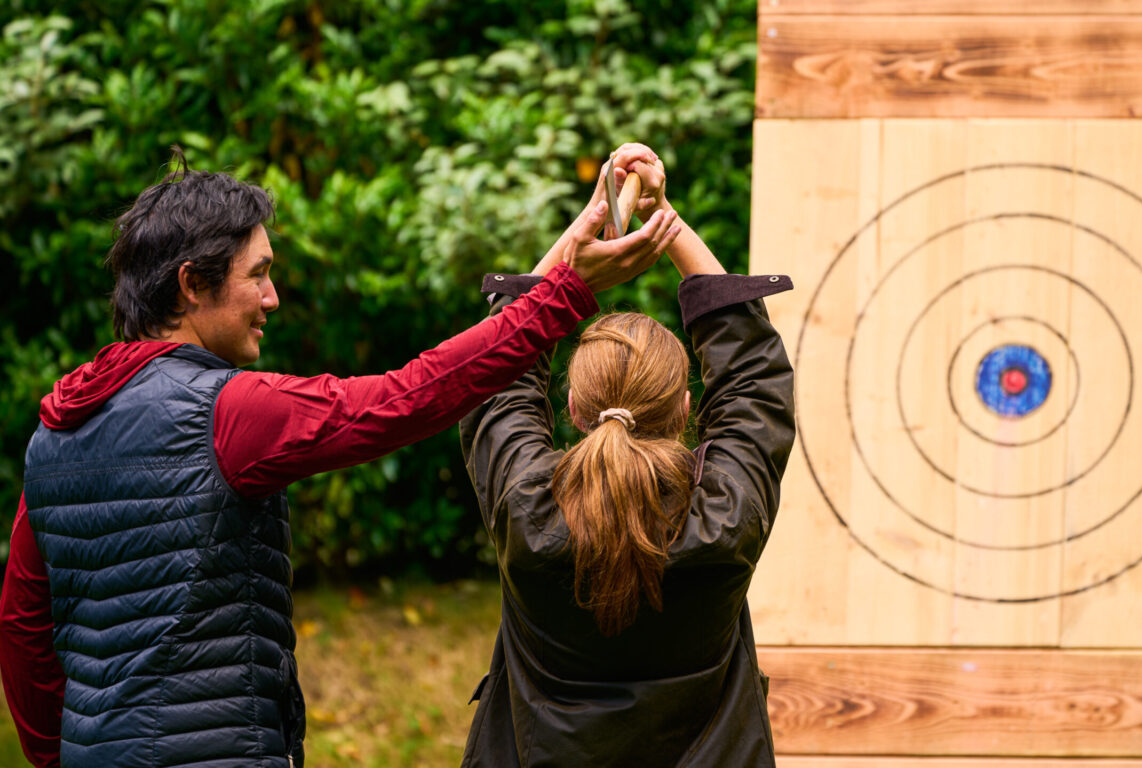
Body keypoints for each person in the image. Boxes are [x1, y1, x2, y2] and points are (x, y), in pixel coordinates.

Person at [0, 147, 680, 768]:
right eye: (258, 275)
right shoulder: (227, 414)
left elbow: (23, 628)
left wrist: (56, 756)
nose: (272, 297)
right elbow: (409, 397)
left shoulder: (56, 434)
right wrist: (567, 295)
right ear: (190, 285)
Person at [459, 144, 795, 766]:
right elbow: (754, 373)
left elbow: (495, 369)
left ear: (575, 414)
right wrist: (663, 219)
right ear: (688, 412)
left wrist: (585, 236)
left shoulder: (531, 516)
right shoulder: (723, 520)